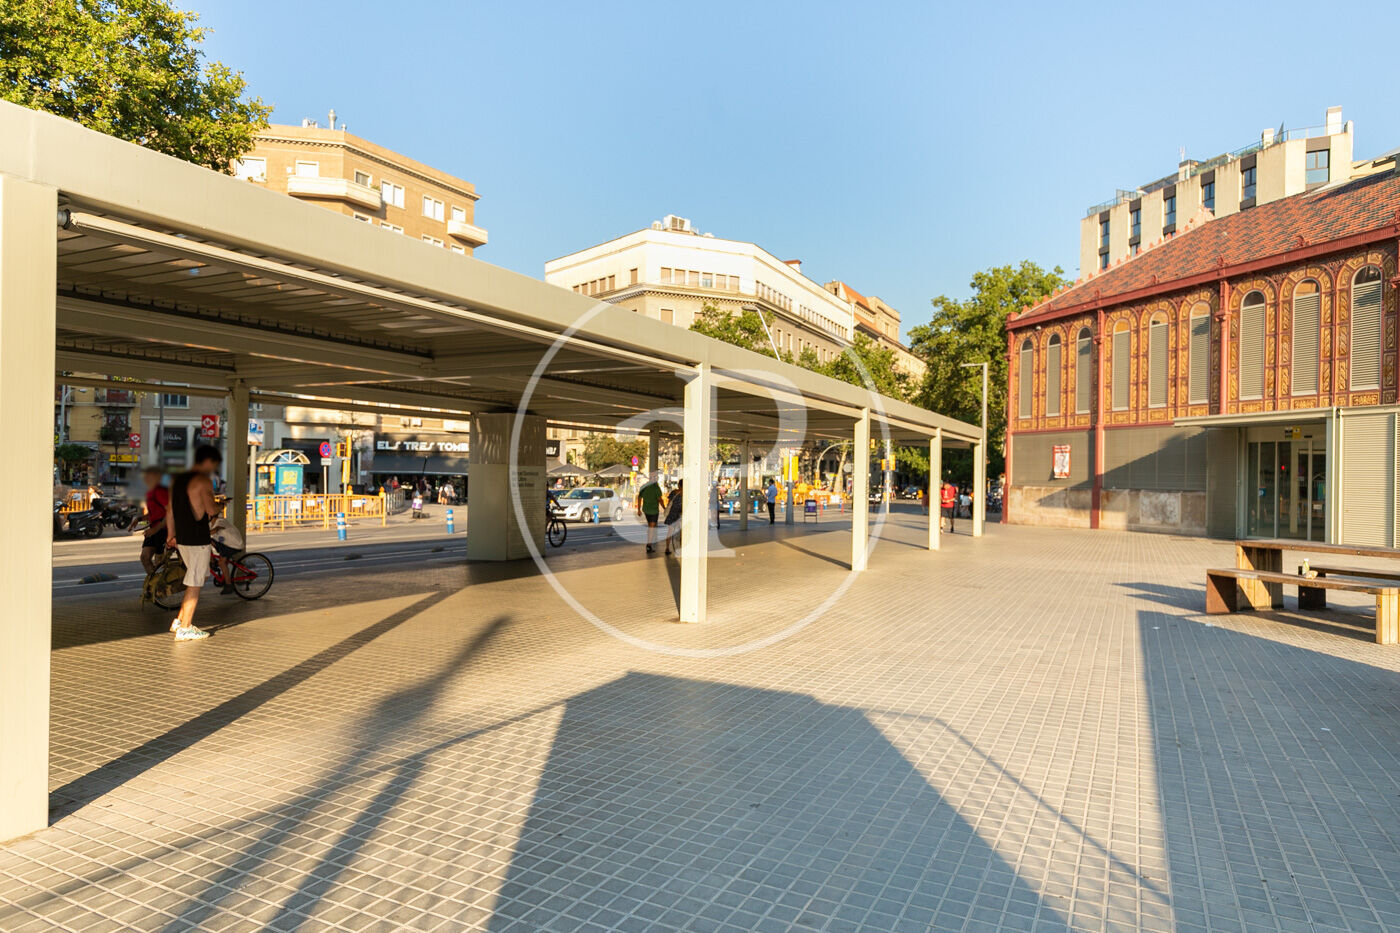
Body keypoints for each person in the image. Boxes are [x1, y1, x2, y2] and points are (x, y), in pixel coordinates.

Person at [166, 445, 223, 641]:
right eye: (214, 464)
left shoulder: (177, 480)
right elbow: (210, 509)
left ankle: (179, 620)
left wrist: (170, 535)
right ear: (207, 461)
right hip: (198, 537)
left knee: (195, 577)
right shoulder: (203, 481)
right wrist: (219, 506)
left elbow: (170, 510)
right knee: (195, 582)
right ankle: (186, 628)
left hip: (182, 538)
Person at [129, 465, 169, 575]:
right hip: (153, 530)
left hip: (163, 529)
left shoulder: (160, 491)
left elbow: (170, 512)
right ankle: (153, 581)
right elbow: (153, 513)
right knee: (144, 558)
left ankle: (161, 583)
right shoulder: (149, 492)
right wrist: (139, 519)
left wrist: (156, 529)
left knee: (160, 562)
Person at [635, 472, 663, 553]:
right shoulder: (656, 487)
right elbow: (660, 499)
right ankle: (649, 545)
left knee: (650, 527)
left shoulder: (644, 487)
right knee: (651, 528)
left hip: (646, 510)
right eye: (656, 478)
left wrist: (639, 510)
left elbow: (639, 498)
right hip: (654, 510)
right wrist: (664, 507)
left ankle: (649, 542)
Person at [663, 479, 684, 555]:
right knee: (682, 532)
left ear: (679, 485)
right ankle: (681, 549)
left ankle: (667, 548)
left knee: (670, 531)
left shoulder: (673, 492)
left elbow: (669, 503)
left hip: (672, 513)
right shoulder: (686, 493)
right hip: (681, 513)